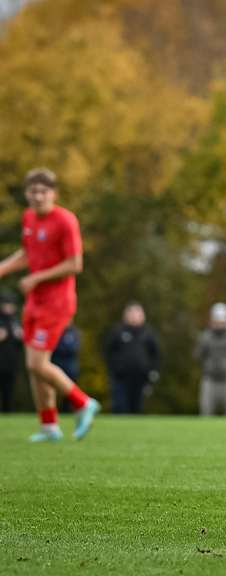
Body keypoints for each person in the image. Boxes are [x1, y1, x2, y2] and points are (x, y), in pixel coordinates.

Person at [0, 168, 99, 441]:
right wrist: (3, 268)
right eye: (34, 191)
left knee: (37, 363)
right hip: (35, 301)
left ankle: (83, 402)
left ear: (53, 194)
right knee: (33, 364)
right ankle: (49, 426)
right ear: (27, 194)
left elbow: (75, 264)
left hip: (57, 302)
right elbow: (26, 253)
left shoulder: (66, 221)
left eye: (44, 191)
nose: (39, 196)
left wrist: (36, 277)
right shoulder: (29, 218)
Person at [103, 302, 160, 414]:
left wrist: (153, 372)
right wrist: (115, 368)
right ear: (125, 315)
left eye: (137, 313)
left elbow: (155, 354)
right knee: (121, 408)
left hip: (141, 378)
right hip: (121, 378)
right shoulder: (118, 332)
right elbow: (108, 352)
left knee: (137, 408)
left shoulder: (148, 333)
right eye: (131, 312)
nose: (134, 316)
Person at [196, 303, 226, 416]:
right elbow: (198, 355)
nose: (219, 324)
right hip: (209, 379)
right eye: (217, 321)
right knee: (206, 414)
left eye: (222, 321)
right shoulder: (205, 336)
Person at [0, 291, 24, 412]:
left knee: (9, 388)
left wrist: (21, 337)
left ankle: (8, 411)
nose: (8, 307)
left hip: (12, 362)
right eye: (6, 304)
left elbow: (21, 342)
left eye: (10, 304)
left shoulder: (16, 321)